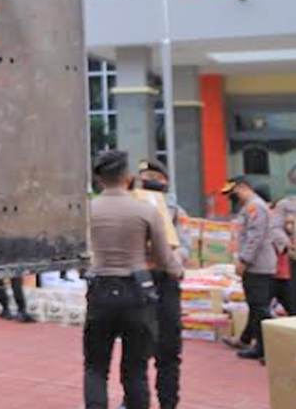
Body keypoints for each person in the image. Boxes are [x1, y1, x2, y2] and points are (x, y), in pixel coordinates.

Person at [84, 150, 182, 409]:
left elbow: (80, 253)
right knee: (135, 369)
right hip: (137, 291)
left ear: (99, 178)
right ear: (127, 177)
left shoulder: (88, 210)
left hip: (100, 290)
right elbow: (164, 258)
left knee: (95, 367)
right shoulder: (146, 211)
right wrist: (176, 270)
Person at [135, 159, 188, 409]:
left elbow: (185, 247)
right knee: (136, 347)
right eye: (144, 176)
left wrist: (170, 257)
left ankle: (168, 402)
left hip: (165, 280)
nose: (149, 180)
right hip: (137, 281)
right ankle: (134, 400)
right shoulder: (131, 208)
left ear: (165, 181)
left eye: (155, 176)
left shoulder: (176, 211)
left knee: (168, 348)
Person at [224, 177, 277, 360]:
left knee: (260, 308)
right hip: (256, 265)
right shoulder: (251, 207)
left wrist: (244, 260)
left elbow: (255, 237)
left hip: (258, 266)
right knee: (256, 306)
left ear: (243, 188)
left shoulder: (256, 207)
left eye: (234, 192)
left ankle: (267, 348)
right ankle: (258, 346)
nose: (233, 197)